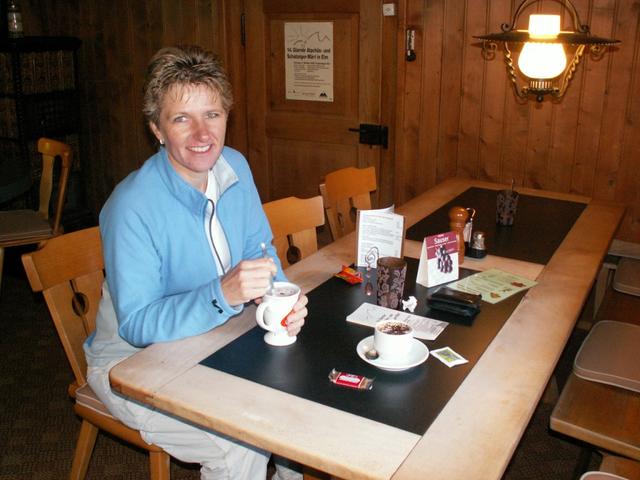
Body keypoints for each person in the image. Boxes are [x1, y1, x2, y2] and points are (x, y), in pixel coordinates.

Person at [84, 45, 308, 480]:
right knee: (238, 443)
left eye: (212, 114)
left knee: (299, 389)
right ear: (157, 129)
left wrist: (281, 299)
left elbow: (260, 251)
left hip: (215, 337)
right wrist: (221, 294)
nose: (202, 133)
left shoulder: (235, 167)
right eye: (181, 119)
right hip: (131, 364)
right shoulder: (131, 206)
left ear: (226, 117)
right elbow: (137, 324)